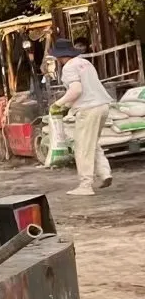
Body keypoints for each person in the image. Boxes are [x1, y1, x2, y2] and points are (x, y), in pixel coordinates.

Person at [48, 37, 113, 195]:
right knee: (92, 143)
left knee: (82, 146)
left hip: (88, 109)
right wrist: (67, 106)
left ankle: (85, 185)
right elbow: (85, 88)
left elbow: (76, 90)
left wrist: (59, 103)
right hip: (102, 105)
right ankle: (104, 173)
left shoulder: (69, 67)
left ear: (59, 56)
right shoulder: (85, 63)